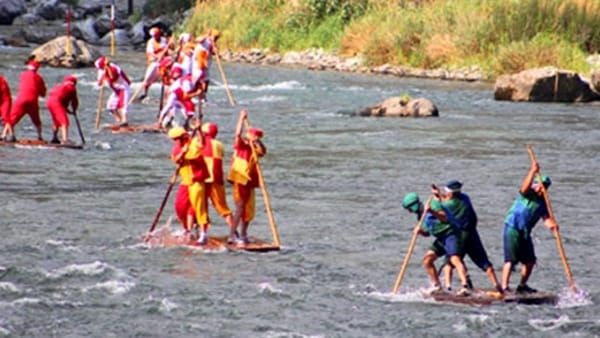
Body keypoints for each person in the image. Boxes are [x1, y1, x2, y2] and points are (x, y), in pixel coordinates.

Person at [432, 180, 502, 293]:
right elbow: (446, 199)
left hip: (459, 235)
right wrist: (438, 194)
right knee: (483, 261)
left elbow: (441, 206)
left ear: (450, 193)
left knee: (450, 261)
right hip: (473, 233)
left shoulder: (449, 204)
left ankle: (449, 287)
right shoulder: (465, 197)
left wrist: (435, 198)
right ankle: (497, 286)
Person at [501, 160, 558, 293]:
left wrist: (553, 226)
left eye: (545, 187)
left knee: (530, 261)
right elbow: (524, 187)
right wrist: (532, 171)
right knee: (510, 260)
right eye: (541, 186)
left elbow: (546, 219)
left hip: (525, 232)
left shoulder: (543, 203)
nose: (542, 189)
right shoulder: (527, 194)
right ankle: (505, 287)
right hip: (512, 228)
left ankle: (522, 286)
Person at [402, 192, 472, 296]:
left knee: (454, 259)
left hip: (450, 234)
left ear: (414, 205)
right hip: (441, 239)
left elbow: (444, 217)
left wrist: (431, 211)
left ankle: (465, 286)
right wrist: (420, 231)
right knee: (427, 260)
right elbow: (428, 233)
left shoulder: (432, 205)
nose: (409, 211)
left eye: (409, 209)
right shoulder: (420, 217)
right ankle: (437, 286)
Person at [227, 109, 267, 245]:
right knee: (240, 207)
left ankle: (243, 233)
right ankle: (232, 235)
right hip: (240, 179)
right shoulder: (241, 146)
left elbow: (263, 151)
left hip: (249, 181)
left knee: (249, 209)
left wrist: (257, 142)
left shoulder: (255, 149)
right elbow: (237, 134)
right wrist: (241, 118)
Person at [168, 124, 211, 244]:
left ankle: (203, 233)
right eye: (174, 140)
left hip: (197, 180)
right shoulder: (177, 148)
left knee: (198, 207)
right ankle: (187, 229)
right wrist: (182, 152)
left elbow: (202, 144)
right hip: (185, 181)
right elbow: (176, 160)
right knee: (180, 207)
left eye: (177, 139)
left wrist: (198, 130)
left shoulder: (193, 142)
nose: (175, 141)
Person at [202, 122, 236, 241]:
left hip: (204, 179)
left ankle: (202, 233)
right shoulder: (219, 145)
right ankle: (234, 232)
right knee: (223, 208)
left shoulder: (200, 143)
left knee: (201, 207)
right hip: (217, 178)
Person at [1, 59, 46, 142]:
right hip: (32, 101)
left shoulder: (23, 75)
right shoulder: (39, 78)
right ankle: (40, 136)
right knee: (36, 120)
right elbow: (43, 92)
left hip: (20, 100)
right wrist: (41, 93)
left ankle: (4, 135)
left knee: (11, 118)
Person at [137, 27, 171, 101]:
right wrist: (157, 56)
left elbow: (169, 49)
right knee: (148, 79)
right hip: (154, 62)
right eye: (154, 36)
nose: (155, 37)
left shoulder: (164, 40)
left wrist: (170, 45)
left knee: (167, 78)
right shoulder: (151, 42)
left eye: (156, 35)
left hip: (164, 62)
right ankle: (144, 93)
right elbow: (150, 53)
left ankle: (168, 94)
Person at [95, 56, 131, 126]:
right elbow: (99, 83)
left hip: (123, 88)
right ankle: (118, 120)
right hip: (116, 90)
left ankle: (124, 121)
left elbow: (113, 78)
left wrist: (106, 73)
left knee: (123, 105)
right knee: (110, 106)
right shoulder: (101, 71)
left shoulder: (114, 68)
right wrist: (102, 79)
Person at [47, 75, 79, 144]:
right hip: (57, 102)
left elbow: (63, 103)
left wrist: (69, 111)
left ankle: (54, 137)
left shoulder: (59, 86)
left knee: (56, 120)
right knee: (64, 121)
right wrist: (74, 109)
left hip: (50, 102)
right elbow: (74, 101)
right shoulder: (71, 88)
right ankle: (65, 140)